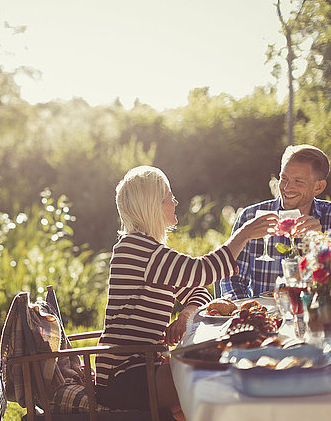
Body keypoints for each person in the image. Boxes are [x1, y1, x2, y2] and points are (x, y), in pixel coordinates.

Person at [94, 166, 276, 420]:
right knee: (210, 379)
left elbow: (198, 291)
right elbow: (203, 270)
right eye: (169, 196)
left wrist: (185, 315)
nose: (175, 201)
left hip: (144, 366)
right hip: (124, 375)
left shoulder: (149, 251)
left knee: (202, 381)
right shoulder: (136, 250)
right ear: (152, 204)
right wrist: (243, 234)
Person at [218, 144, 331, 299]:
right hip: (266, 317)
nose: (287, 188)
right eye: (284, 178)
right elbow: (230, 279)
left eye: (298, 181)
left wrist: (325, 242)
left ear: (319, 187)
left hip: (317, 314)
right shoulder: (251, 216)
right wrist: (248, 312)